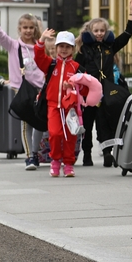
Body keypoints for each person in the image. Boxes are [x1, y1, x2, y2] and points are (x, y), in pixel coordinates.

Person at [74, 3, 132, 167]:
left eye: (102, 31)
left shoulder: (110, 47)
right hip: (89, 93)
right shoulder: (84, 50)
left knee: (106, 123)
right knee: (87, 125)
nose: (99, 34)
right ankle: (87, 155)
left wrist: (131, 16)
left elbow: (126, 35)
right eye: (96, 31)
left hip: (106, 91)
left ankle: (108, 153)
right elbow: (76, 68)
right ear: (90, 32)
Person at [0, 4, 46, 171]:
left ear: (35, 29)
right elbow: (0, 36)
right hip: (21, 90)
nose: (28, 30)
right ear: (19, 29)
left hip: (40, 89)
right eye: (24, 27)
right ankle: (30, 156)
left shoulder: (40, 46)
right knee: (27, 123)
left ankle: (36, 151)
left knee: (40, 122)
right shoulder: (14, 46)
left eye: (31, 27)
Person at [33, 29, 86, 177]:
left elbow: (86, 87)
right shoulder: (50, 64)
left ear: (73, 49)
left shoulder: (76, 67)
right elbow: (38, 57)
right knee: (55, 134)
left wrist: (74, 86)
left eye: (67, 47)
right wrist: (41, 40)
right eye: (61, 46)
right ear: (56, 48)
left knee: (70, 136)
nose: (64, 50)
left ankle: (68, 164)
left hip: (71, 109)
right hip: (53, 106)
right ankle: (55, 160)